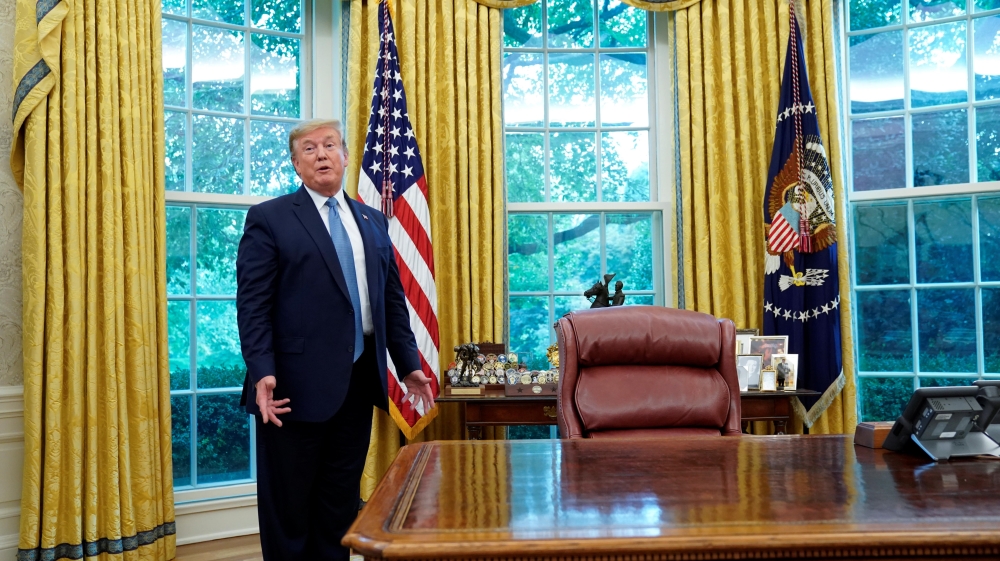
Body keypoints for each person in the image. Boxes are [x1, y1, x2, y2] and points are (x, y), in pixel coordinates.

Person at [236, 119, 436, 561]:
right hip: (289, 390)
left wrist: (408, 365)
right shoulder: (269, 218)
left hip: (356, 386)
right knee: (289, 512)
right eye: (309, 149)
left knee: (338, 507)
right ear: (296, 164)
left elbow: (390, 301)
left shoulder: (372, 220)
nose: (321, 154)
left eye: (329, 145)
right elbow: (252, 305)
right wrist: (262, 371)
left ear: (346, 156)